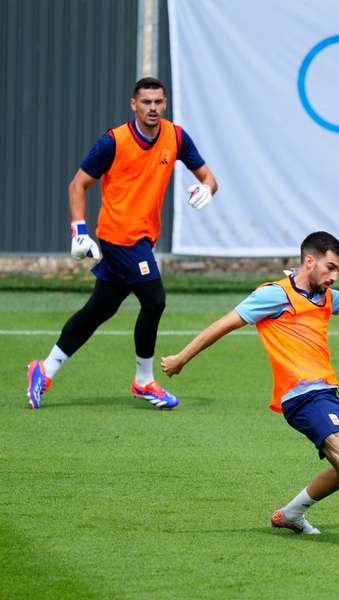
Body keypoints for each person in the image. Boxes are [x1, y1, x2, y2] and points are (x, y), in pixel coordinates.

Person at [160, 231, 339, 538]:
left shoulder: (325, 297)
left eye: (338, 270)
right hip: (301, 396)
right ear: (310, 261)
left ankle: (291, 514)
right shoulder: (274, 295)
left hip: (328, 393)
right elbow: (223, 324)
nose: (334, 276)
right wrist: (181, 358)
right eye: (330, 267)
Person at [25, 77, 218, 410]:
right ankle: (144, 380)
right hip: (118, 237)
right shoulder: (113, 141)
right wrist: (79, 231)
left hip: (143, 237)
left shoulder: (176, 136)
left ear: (165, 103)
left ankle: (45, 368)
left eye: (158, 102)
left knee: (99, 309)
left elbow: (208, 177)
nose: (153, 108)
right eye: (146, 102)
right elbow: (77, 185)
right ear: (134, 105)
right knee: (154, 300)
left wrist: (207, 190)